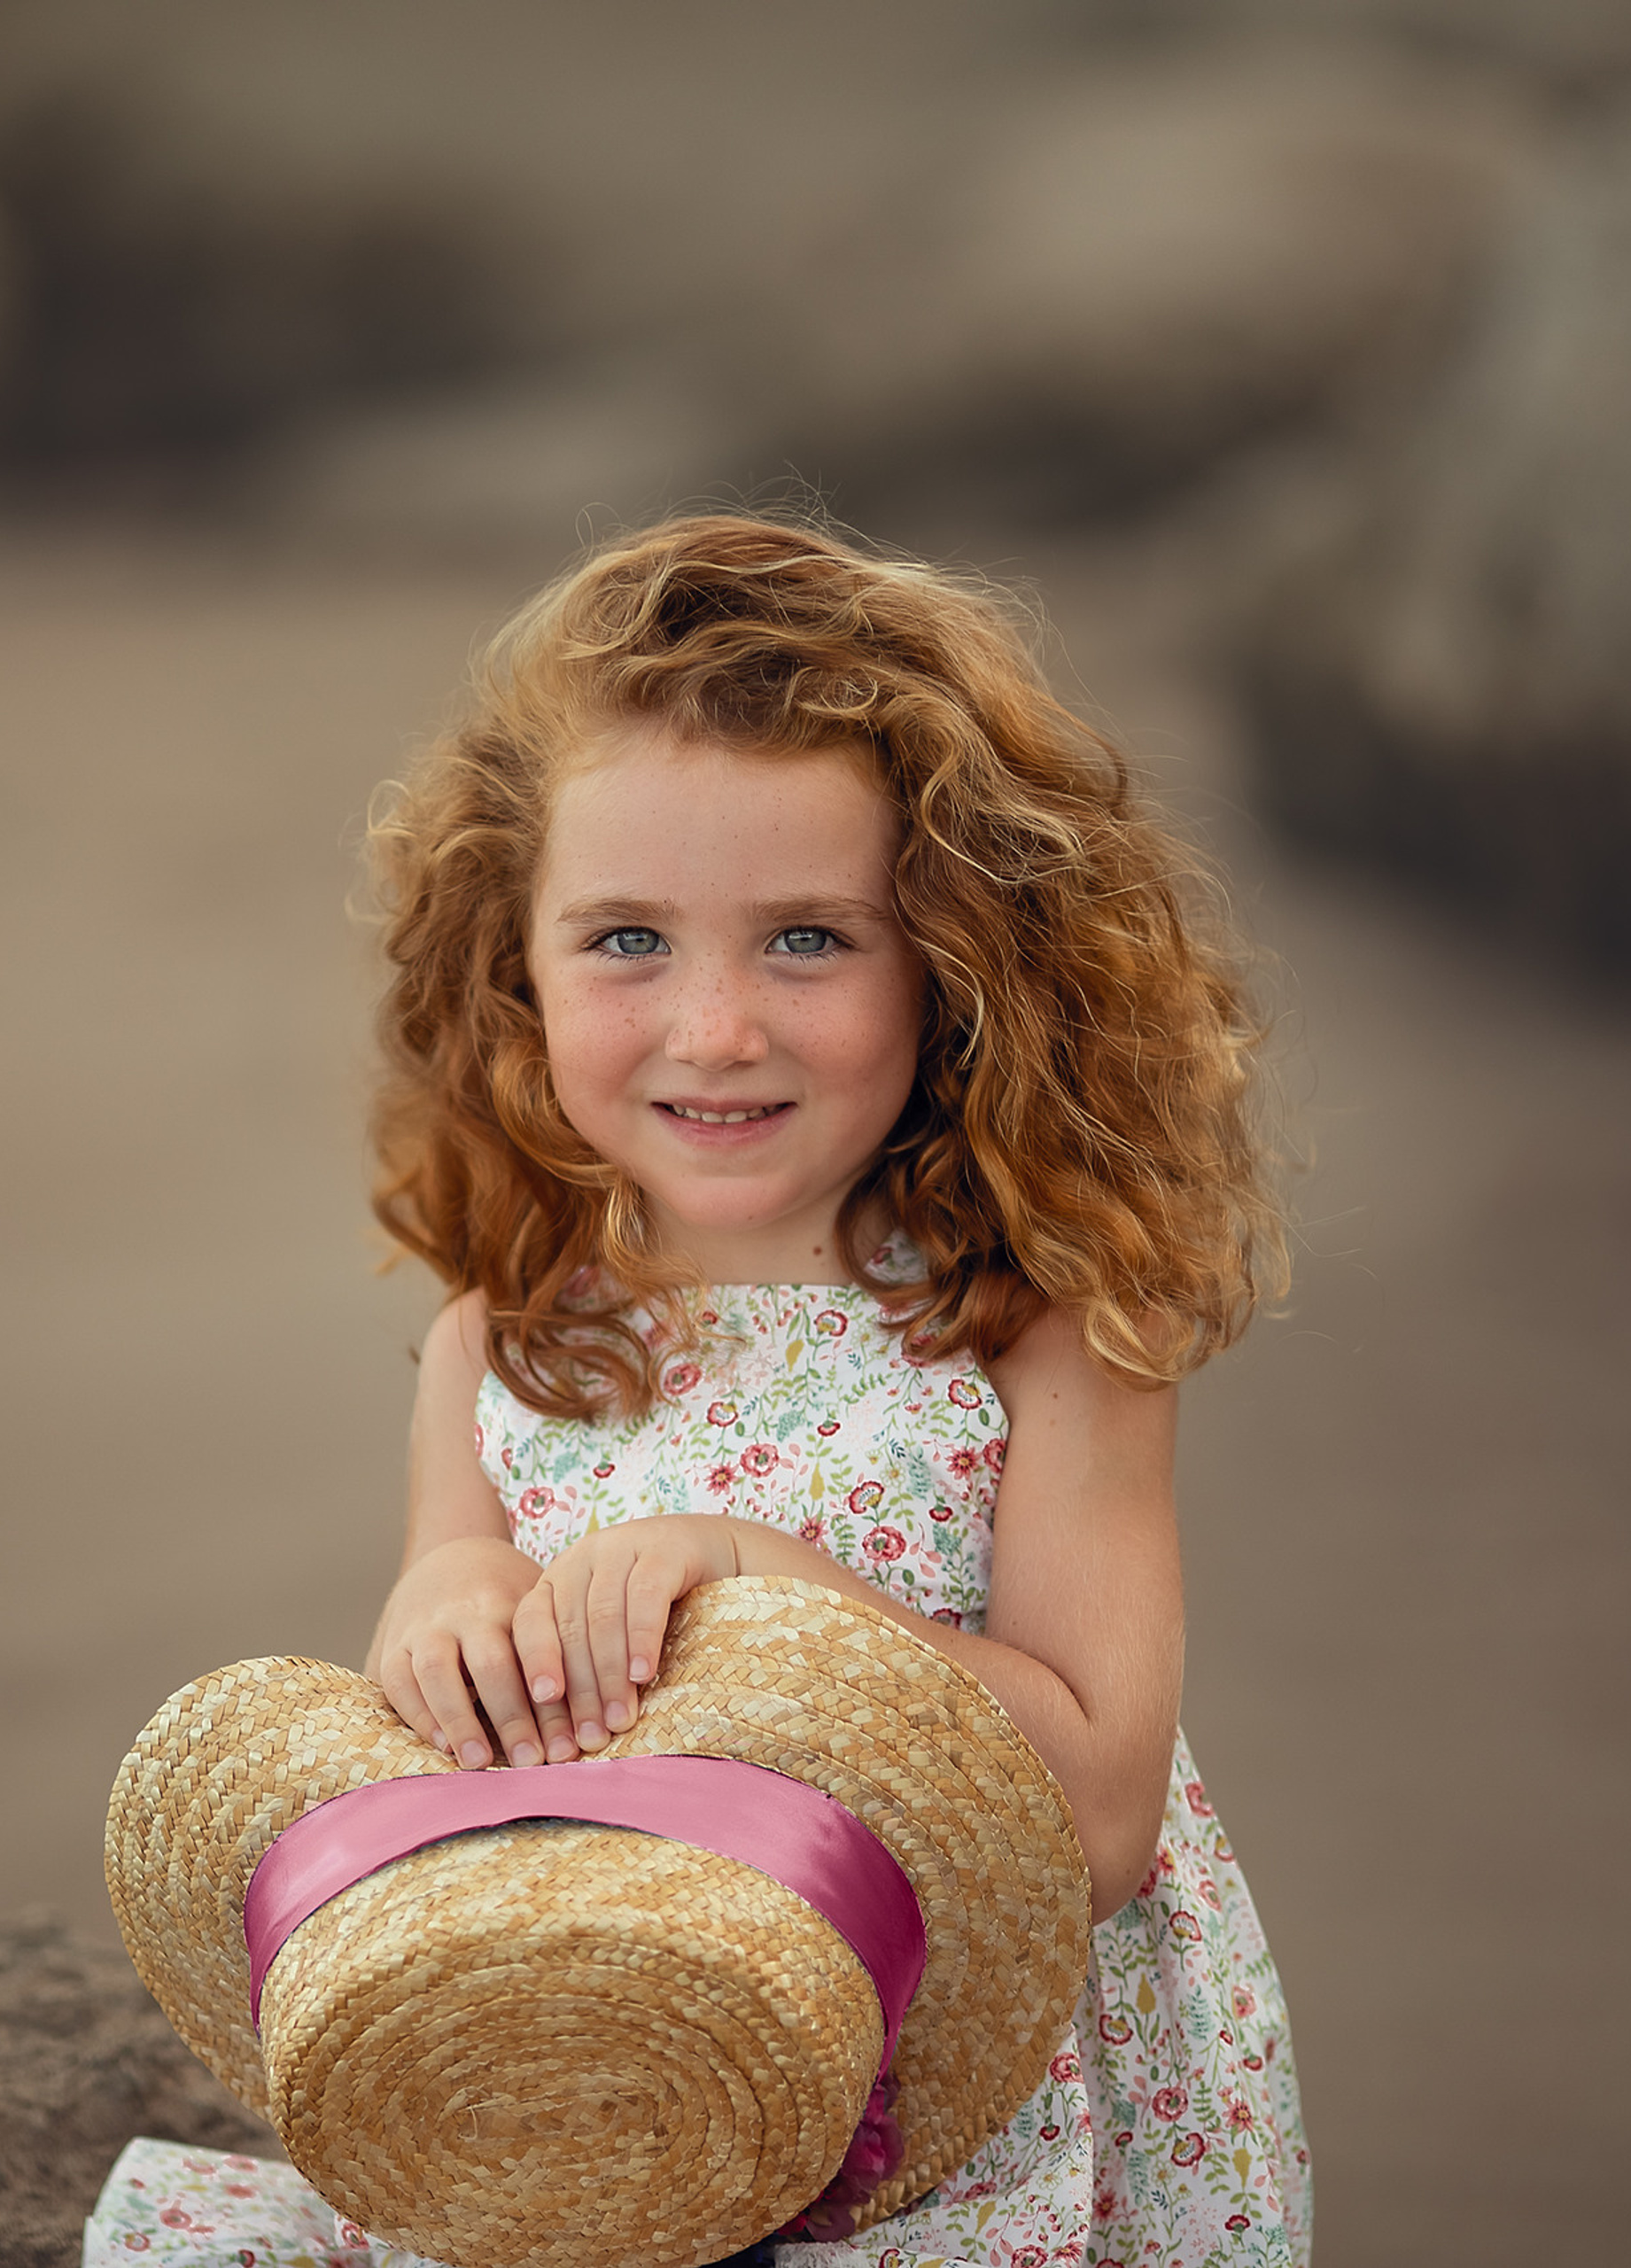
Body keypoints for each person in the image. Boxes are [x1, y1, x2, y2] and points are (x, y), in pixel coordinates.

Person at [89, 514, 1308, 2268]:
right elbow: (441, 1659)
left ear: (951, 961)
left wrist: (770, 1586)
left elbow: (1103, 1819)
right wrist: (450, 1603)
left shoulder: (1039, 1327)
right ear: (511, 960)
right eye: (626, 941)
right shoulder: (503, 1332)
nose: (714, 1025)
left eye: (806, 939)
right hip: (638, 2043)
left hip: (972, 2067)